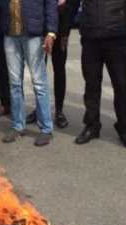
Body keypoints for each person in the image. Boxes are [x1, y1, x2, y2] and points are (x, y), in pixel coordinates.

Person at [68, 0, 126, 150]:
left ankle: (124, 128)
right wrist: (64, 31)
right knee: (91, 85)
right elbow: (72, 4)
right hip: (90, 38)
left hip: (116, 38)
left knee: (121, 85)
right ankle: (92, 126)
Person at [0, 0, 58, 147]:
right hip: (10, 35)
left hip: (33, 35)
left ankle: (46, 129)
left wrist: (51, 32)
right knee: (14, 83)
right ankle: (17, 126)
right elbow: (1, 5)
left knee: (39, 84)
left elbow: (51, 4)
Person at [25, 0, 73, 129]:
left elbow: (72, 6)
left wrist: (65, 32)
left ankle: (59, 111)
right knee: (38, 72)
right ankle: (39, 109)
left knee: (59, 70)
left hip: (61, 30)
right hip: (39, 30)